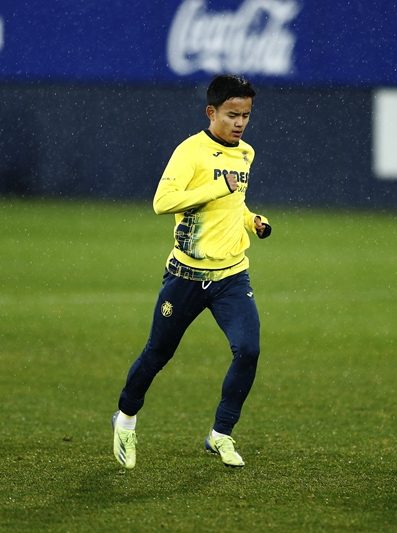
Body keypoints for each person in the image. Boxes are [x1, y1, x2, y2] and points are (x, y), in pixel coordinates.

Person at [111, 74, 272, 469]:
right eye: (232, 115)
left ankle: (221, 434)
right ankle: (125, 419)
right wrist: (219, 188)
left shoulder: (246, 154)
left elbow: (234, 203)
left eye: (245, 116)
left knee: (248, 350)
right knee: (157, 354)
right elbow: (162, 202)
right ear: (211, 112)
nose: (239, 123)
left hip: (231, 276)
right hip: (186, 276)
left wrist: (252, 221)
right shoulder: (190, 152)